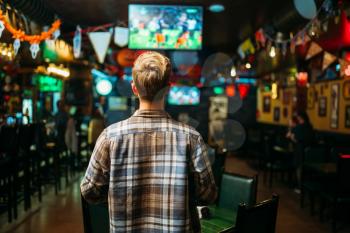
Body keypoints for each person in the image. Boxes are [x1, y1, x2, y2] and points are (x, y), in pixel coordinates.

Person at [81, 51, 217, 233]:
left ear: (134, 88)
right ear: (167, 88)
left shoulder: (109, 137)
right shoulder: (191, 137)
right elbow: (209, 194)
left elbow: (89, 191)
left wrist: (117, 193)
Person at [287, 111, 314, 192]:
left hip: (299, 151)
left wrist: (291, 134)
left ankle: (299, 187)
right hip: (310, 152)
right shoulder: (310, 126)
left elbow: (294, 139)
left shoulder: (298, 127)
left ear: (300, 118)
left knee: (299, 168)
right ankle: (305, 187)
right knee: (305, 169)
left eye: (298, 117)